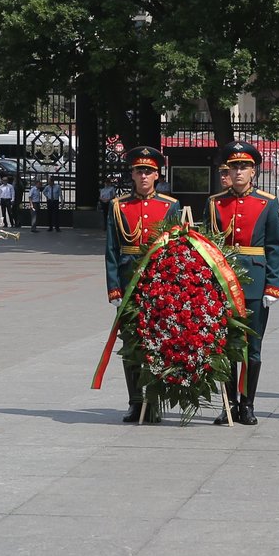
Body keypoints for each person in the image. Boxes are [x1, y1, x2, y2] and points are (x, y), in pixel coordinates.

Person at [104, 146, 185, 423]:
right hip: (129, 283)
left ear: (157, 174)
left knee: (157, 343)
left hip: (158, 282)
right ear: (132, 174)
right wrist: (114, 287)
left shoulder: (169, 205)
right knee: (131, 343)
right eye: (140, 171)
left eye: (149, 171)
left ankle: (154, 400)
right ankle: (135, 401)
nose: (144, 176)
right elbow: (112, 250)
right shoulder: (119, 205)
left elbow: (175, 248)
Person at [210, 143, 279, 425]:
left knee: (252, 347)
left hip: (255, 282)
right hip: (223, 283)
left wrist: (274, 285)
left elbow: (275, 247)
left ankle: (247, 404)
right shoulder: (216, 202)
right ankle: (229, 405)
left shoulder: (267, 202)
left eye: (244, 167)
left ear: (254, 171)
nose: (238, 171)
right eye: (234, 167)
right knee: (227, 346)